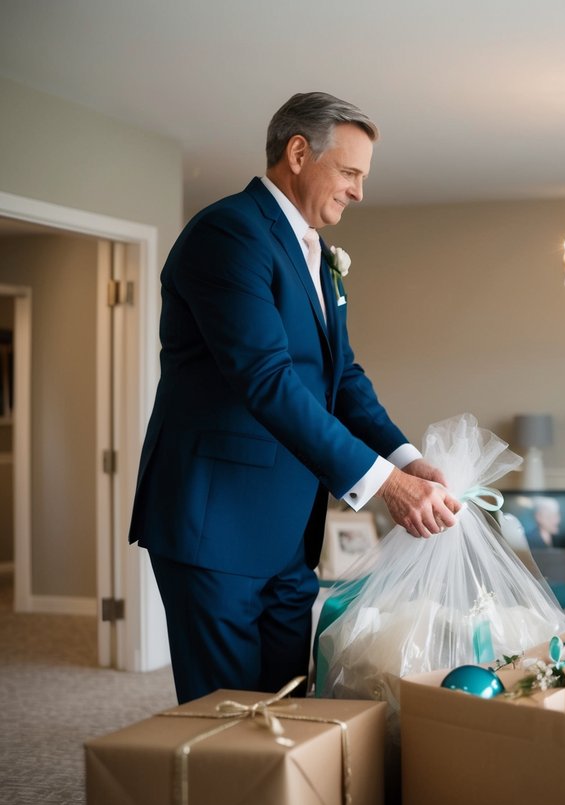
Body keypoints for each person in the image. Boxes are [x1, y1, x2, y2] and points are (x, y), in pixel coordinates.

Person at [129, 92, 461, 703]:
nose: (359, 192)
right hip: (216, 523)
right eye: (351, 173)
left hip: (288, 529)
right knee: (228, 715)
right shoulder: (228, 233)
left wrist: (407, 458)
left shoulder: (318, 252)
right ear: (299, 153)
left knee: (288, 704)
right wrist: (385, 484)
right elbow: (267, 380)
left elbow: (343, 378)